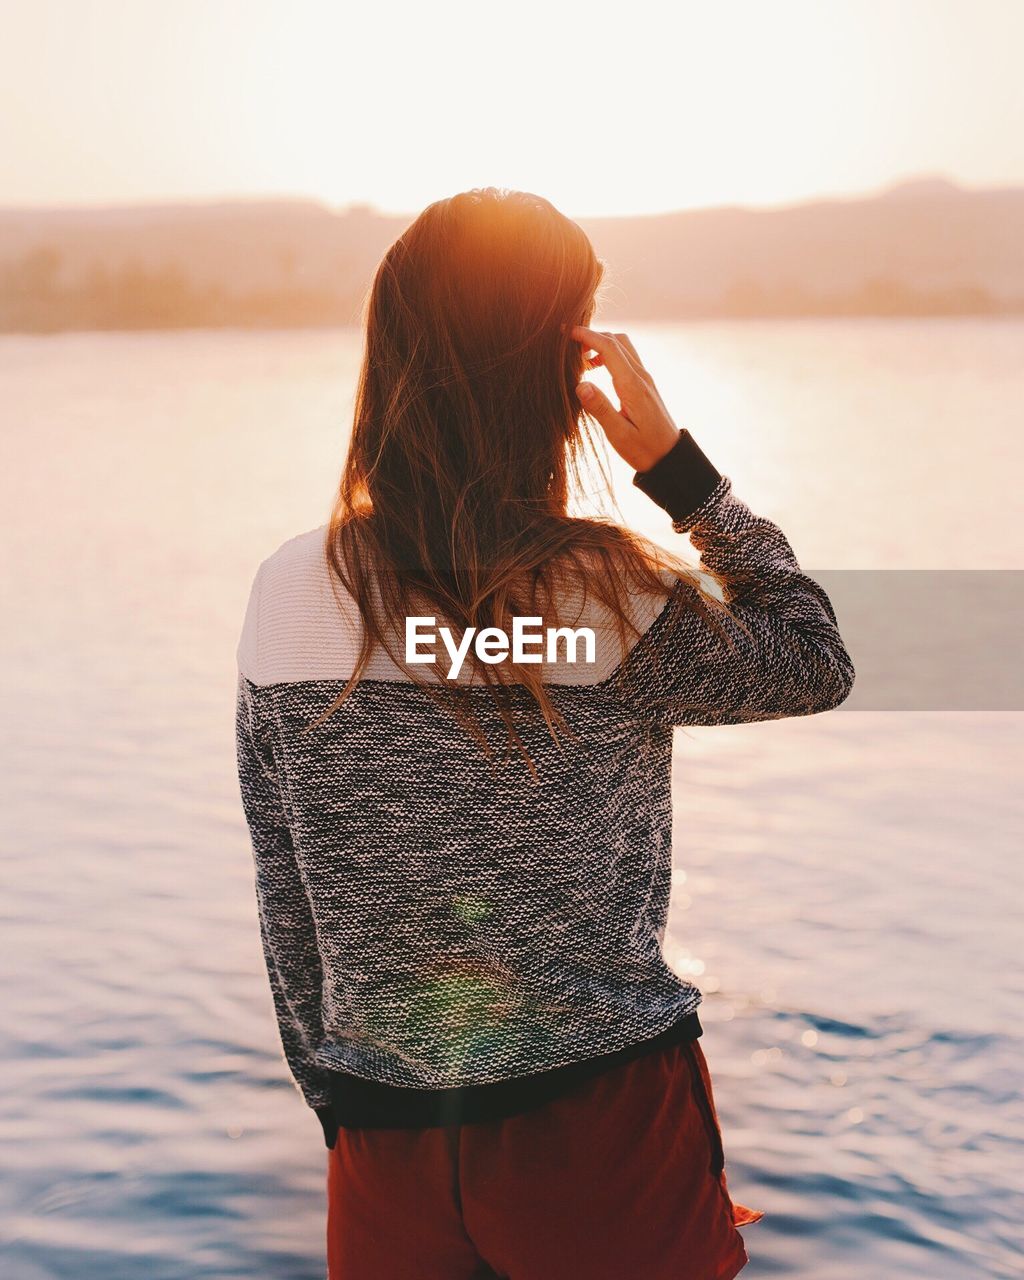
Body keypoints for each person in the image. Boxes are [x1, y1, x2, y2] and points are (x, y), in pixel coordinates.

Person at [234, 187, 855, 1280]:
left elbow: (283, 890)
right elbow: (811, 660)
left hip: (387, 1137)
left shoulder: (290, 592)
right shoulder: (603, 595)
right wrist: (682, 473)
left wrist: (335, 1098)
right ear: (552, 374)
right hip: (600, 1125)